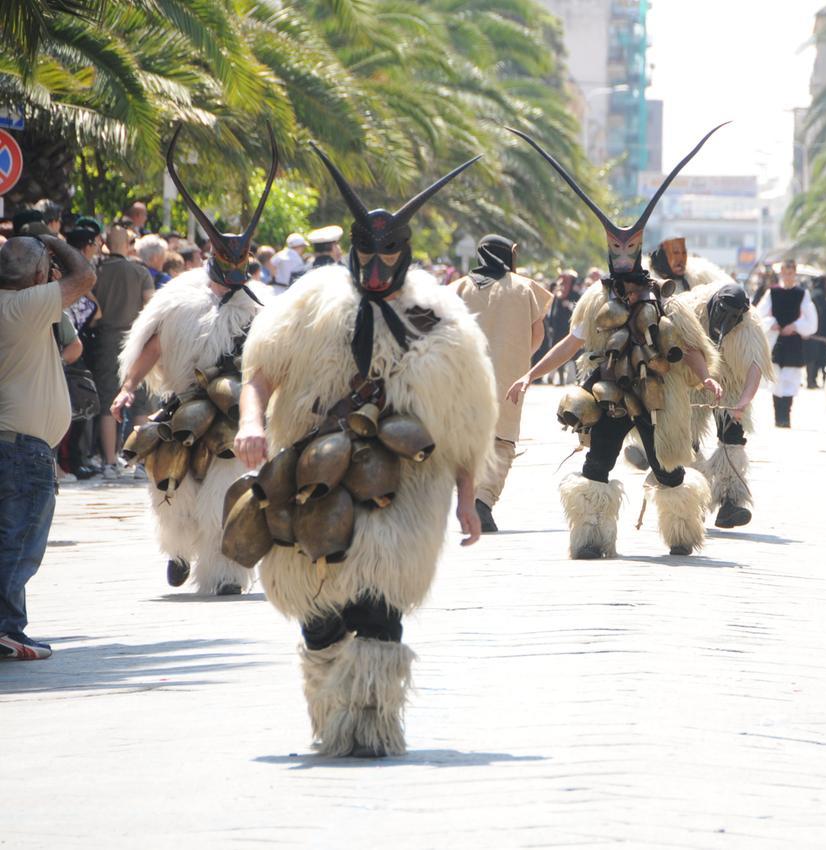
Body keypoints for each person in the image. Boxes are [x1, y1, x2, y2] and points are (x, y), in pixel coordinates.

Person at [233, 144, 494, 758]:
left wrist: (467, 500)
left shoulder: (441, 320)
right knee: (318, 604)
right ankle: (331, 710)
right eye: (367, 253)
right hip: (310, 472)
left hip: (405, 487)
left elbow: (468, 422)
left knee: (378, 604)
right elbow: (259, 373)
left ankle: (372, 724)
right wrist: (250, 423)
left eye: (388, 254)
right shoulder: (309, 303)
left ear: (405, 252)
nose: (376, 266)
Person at [505, 125, 725, 559]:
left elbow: (691, 348)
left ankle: (682, 531)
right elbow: (571, 343)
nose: (623, 255)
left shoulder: (665, 300)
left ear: (638, 251)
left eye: (630, 249)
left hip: (657, 396)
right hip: (609, 395)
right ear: (609, 252)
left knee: (668, 471)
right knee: (597, 464)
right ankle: (591, 537)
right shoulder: (595, 299)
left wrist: (706, 378)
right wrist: (530, 374)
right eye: (616, 250)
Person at [114, 128, 278, 595]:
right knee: (172, 488)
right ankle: (180, 552)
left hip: (235, 415)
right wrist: (128, 386)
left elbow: (276, 359)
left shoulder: (261, 306)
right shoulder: (182, 299)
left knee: (226, 491)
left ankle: (225, 574)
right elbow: (154, 345)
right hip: (184, 405)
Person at [0, 233, 97, 659]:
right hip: (22, 447)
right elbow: (85, 276)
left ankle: (11, 627)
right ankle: (5, 628)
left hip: (14, 442)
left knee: (10, 539)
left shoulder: (17, 305)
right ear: (40, 275)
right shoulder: (26, 305)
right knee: (19, 543)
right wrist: (53, 241)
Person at [452, 234, 552, 533]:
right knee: (503, 440)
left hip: (464, 377)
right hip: (509, 376)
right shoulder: (525, 288)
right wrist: (519, 358)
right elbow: (538, 334)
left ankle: (469, 500)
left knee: (467, 440)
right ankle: (483, 501)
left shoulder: (456, 288)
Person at [676, 275, 773, 528]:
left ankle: (731, 500)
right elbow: (686, 345)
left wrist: (742, 403)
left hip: (731, 380)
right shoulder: (693, 309)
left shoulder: (750, 327)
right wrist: (705, 378)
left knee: (732, 435)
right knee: (687, 438)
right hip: (693, 376)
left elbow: (755, 368)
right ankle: (694, 497)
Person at [91, 225, 155, 478]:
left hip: (105, 339)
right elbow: (151, 307)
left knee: (108, 400)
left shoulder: (97, 272)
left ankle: (109, 462)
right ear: (128, 245)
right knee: (141, 403)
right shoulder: (140, 272)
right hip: (135, 340)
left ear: (106, 244)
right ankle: (140, 462)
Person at [756, 258, 817, 427]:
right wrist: (771, 323)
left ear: (794, 273)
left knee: (791, 377)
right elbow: (759, 315)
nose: (788, 276)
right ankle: (778, 417)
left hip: (793, 341)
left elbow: (812, 322)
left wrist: (795, 326)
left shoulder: (802, 294)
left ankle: (786, 417)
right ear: (781, 273)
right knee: (776, 378)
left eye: (791, 273)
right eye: (785, 273)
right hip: (776, 340)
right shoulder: (772, 292)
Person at [805, 275, 826, 389]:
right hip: (821, 336)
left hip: (814, 335)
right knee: (822, 360)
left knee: (813, 359)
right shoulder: (820, 296)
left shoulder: (813, 295)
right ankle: (817, 381)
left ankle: (811, 381)